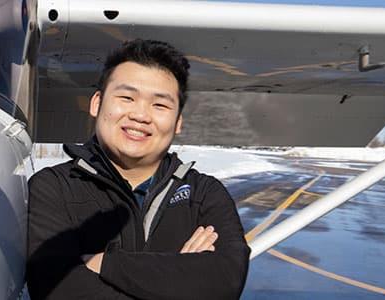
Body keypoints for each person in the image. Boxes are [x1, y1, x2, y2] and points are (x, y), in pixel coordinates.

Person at [27, 39, 250, 299]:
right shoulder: (52, 188)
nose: (141, 115)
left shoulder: (205, 194)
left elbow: (224, 282)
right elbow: (58, 289)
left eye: (160, 105)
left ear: (178, 122)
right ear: (97, 104)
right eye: (127, 97)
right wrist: (180, 276)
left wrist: (106, 264)